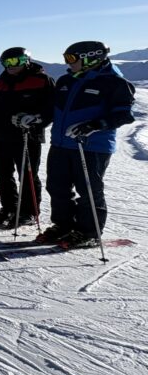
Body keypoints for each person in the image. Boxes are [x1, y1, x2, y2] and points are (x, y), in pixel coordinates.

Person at [38, 41, 135, 248]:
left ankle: (88, 231)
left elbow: (124, 115)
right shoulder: (66, 80)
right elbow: (52, 110)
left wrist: (94, 125)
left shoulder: (114, 82)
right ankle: (63, 225)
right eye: (66, 58)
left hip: (91, 146)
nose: (67, 63)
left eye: (72, 59)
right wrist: (37, 119)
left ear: (92, 57)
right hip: (61, 143)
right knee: (57, 187)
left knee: (89, 189)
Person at [0, 47, 54, 226]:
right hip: (1, 135)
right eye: (6, 62)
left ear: (26, 61)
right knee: (2, 174)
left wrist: (36, 119)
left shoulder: (41, 81)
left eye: (16, 61)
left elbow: (51, 109)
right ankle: (10, 207)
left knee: (27, 175)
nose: (11, 66)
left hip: (28, 136)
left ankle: (29, 212)